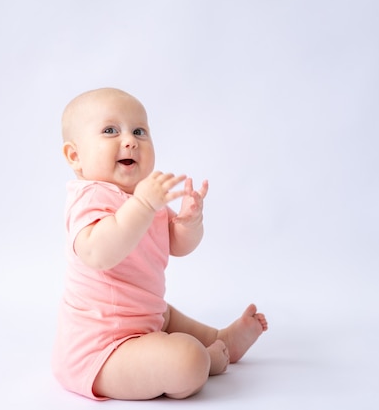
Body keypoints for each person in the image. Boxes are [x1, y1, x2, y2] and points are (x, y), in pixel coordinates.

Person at [52, 87, 268, 400]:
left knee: (165, 315)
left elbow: (177, 245)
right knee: (187, 360)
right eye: (110, 131)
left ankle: (222, 338)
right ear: (75, 156)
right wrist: (143, 205)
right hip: (100, 351)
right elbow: (98, 253)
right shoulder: (90, 198)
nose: (130, 140)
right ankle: (205, 360)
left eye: (139, 131)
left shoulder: (142, 197)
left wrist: (189, 223)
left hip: (144, 316)